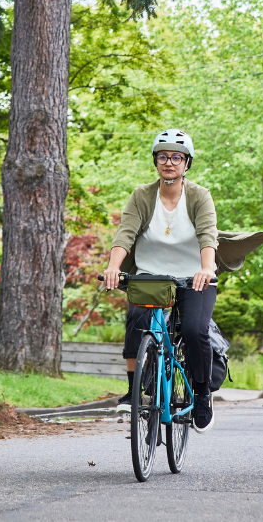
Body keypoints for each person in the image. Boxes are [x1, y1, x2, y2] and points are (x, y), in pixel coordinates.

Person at [102, 129, 219, 433]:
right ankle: (133, 390)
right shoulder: (142, 195)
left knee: (194, 330)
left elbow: (208, 234)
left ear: (186, 163)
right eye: (163, 156)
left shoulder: (199, 196)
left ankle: (203, 392)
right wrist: (113, 266)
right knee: (136, 320)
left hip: (194, 278)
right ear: (155, 161)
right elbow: (125, 233)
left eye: (176, 157)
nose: (169, 162)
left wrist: (206, 268)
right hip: (151, 276)